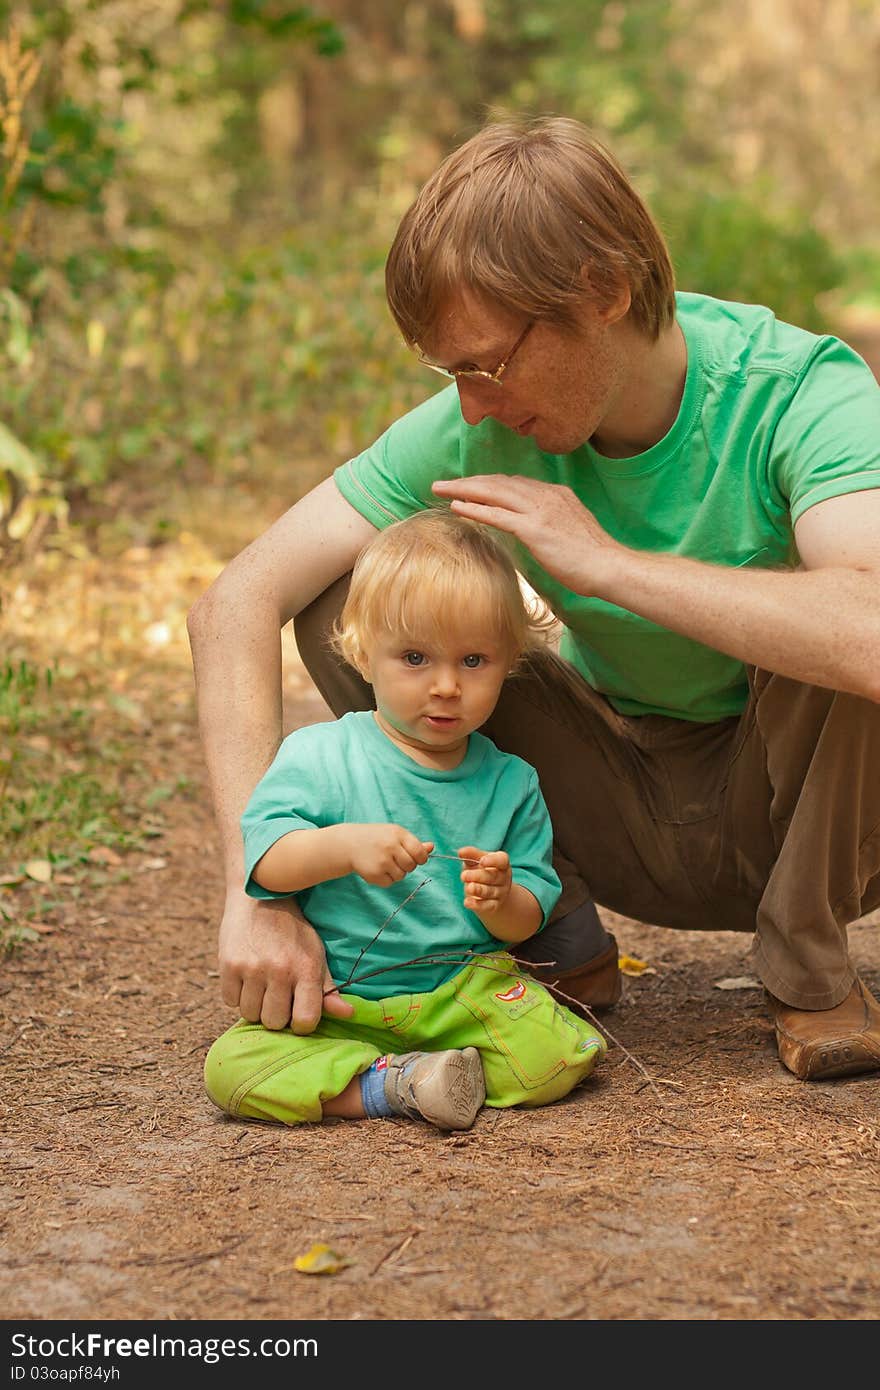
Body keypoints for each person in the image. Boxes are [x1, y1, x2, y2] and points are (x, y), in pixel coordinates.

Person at [188, 114, 880, 1084]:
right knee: (347, 600)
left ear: (602, 290)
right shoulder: (477, 422)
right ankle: (550, 932)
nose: (470, 404)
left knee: (840, 623)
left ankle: (809, 964)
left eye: (485, 363)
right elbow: (236, 598)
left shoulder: (800, 393)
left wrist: (604, 563)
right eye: (449, 372)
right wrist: (256, 891)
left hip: (798, 807)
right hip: (608, 797)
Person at [203, 510, 606, 1131]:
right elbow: (267, 861)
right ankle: (391, 1086)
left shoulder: (510, 783)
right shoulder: (321, 755)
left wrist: (500, 899)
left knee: (561, 1053)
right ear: (363, 653)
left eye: (474, 660)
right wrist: (342, 847)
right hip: (342, 999)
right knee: (234, 1067)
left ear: (509, 661)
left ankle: (416, 1073)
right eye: (415, 657)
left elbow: (530, 913)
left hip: (461, 995)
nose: (446, 686)